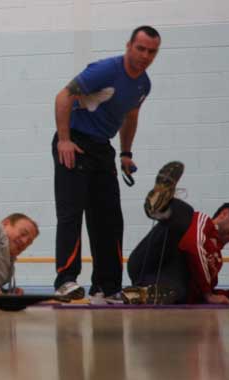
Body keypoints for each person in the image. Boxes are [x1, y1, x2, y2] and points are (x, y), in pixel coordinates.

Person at [52, 25, 161, 301]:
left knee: (110, 219)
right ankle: (66, 281)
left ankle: (107, 286)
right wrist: (64, 139)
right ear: (128, 46)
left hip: (102, 148)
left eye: (152, 51)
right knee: (71, 213)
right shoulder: (105, 70)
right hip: (74, 142)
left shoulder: (143, 84)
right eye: (141, 48)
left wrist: (126, 153)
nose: (145, 55)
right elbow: (63, 96)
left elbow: (131, 116)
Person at [126, 161, 229, 305]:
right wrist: (208, 294)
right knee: (186, 215)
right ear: (224, 214)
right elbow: (192, 244)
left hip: (160, 279)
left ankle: (141, 294)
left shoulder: (216, 261)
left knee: (180, 289)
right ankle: (160, 207)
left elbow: (203, 289)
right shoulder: (203, 222)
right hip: (147, 261)